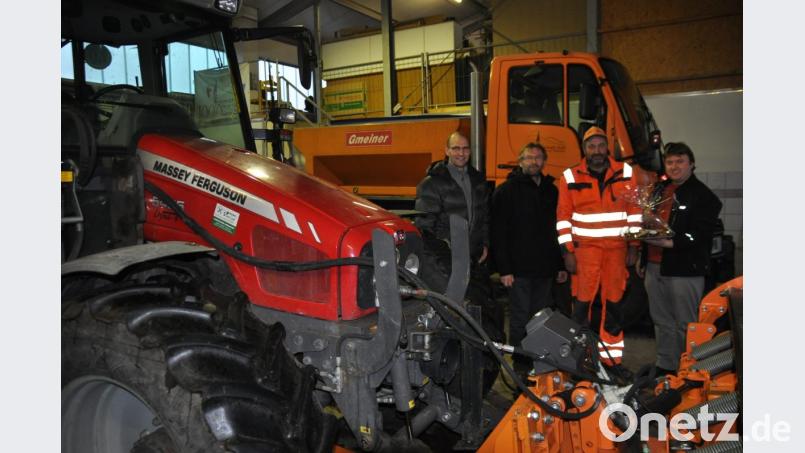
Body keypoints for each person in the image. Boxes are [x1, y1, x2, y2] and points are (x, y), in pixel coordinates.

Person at [556, 126, 641, 370]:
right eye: (591, 146)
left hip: (617, 252)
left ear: (608, 148)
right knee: (581, 307)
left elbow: (634, 213)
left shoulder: (626, 172)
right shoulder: (570, 176)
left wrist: (634, 246)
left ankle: (611, 361)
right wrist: (567, 251)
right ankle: (579, 359)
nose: (597, 151)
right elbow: (563, 217)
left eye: (601, 145)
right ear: (584, 149)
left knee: (614, 306)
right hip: (584, 254)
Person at [637, 142, 722, 375]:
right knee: (661, 320)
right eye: (670, 161)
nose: (674, 166)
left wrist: (671, 243)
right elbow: (647, 223)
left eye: (680, 161)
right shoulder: (657, 189)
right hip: (655, 266)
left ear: (691, 164)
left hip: (684, 269)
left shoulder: (704, 196)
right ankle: (666, 366)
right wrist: (641, 257)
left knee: (686, 324)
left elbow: (702, 234)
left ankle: (690, 370)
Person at [491, 142, 567, 374]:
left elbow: (557, 230)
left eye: (537, 158)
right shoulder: (506, 191)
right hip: (518, 271)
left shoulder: (551, 191)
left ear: (544, 162)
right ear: (520, 161)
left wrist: (560, 265)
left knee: (542, 318)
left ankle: (539, 361)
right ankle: (521, 365)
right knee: (520, 319)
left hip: (545, 270)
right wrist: (504, 270)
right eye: (528, 158)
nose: (533, 162)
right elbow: (498, 233)